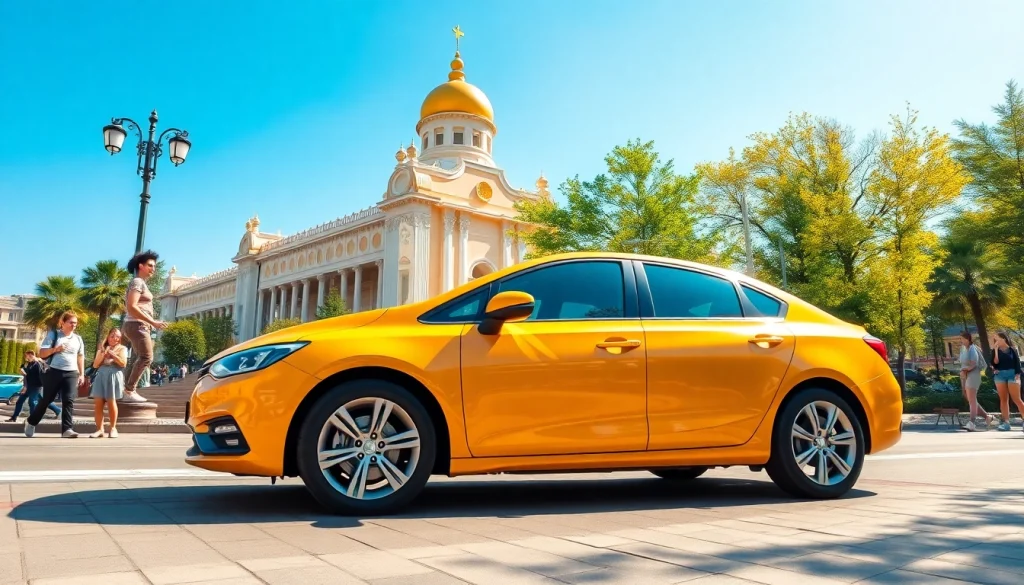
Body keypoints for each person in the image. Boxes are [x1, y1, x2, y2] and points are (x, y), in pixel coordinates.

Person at [25, 311, 85, 438]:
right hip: (54, 371)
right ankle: (31, 422)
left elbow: (80, 357)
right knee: (47, 400)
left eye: (75, 323)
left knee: (69, 400)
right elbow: (42, 353)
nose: (74, 325)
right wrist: (56, 349)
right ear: (62, 322)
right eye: (71, 322)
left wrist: (82, 374)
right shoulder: (54, 335)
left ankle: (67, 429)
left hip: (72, 372)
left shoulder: (78, 339)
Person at [122, 250, 167, 403]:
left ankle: (124, 390)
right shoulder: (137, 282)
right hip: (137, 324)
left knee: (137, 357)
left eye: (154, 266)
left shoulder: (140, 283)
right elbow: (132, 306)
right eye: (150, 265)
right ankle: (129, 390)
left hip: (138, 325)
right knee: (147, 357)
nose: (153, 269)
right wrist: (153, 322)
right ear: (140, 266)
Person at [89, 327, 128, 438]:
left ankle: (113, 428)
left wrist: (113, 355)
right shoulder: (102, 348)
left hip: (114, 375)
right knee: (98, 403)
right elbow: (95, 365)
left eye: (118, 337)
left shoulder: (122, 348)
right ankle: (99, 429)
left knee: (111, 402)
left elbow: (123, 363)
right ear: (108, 336)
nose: (115, 338)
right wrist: (102, 353)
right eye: (112, 336)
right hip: (101, 375)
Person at [6, 350, 60, 421]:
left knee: (32, 402)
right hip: (28, 387)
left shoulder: (38, 364)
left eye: (27, 356)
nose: (26, 358)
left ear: (31, 355)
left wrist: (26, 374)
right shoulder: (29, 364)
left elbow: (40, 376)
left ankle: (32, 419)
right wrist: (25, 384)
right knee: (20, 401)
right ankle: (14, 417)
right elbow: (27, 375)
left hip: (36, 386)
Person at [959, 331, 992, 432]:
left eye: (963, 339)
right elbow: (962, 362)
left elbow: (974, 364)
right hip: (964, 374)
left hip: (973, 374)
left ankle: (972, 423)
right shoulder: (963, 349)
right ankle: (987, 417)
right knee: (967, 396)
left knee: (972, 399)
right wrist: (963, 371)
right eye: (961, 339)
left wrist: (965, 370)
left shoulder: (973, 349)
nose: (961, 341)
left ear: (968, 339)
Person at [990, 331, 1023, 432]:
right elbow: (994, 363)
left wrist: (1018, 374)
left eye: (997, 339)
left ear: (1003, 339)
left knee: (1017, 399)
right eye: (995, 340)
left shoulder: (1013, 349)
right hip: (1000, 375)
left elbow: (1017, 363)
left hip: (1013, 374)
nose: (996, 341)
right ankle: (1006, 423)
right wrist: (995, 350)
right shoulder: (995, 350)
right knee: (1003, 399)